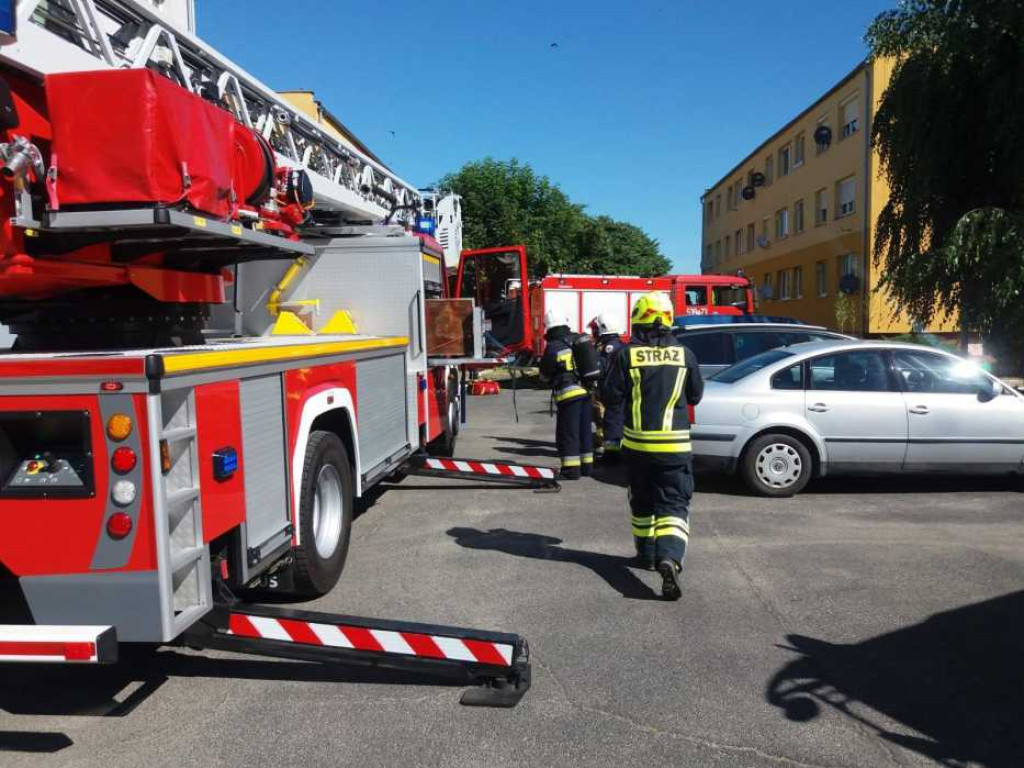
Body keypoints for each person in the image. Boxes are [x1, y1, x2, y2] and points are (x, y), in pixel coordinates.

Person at [602, 291, 704, 600]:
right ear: (669, 320)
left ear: (639, 320)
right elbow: (696, 395)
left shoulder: (626, 355)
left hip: (637, 449)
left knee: (642, 504)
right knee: (673, 506)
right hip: (674, 449)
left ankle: (645, 555)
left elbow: (610, 396)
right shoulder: (685, 355)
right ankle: (669, 558)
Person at [539, 310, 594, 479]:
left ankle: (571, 470)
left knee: (568, 432)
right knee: (584, 430)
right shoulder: (578, 339)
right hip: (585, 391)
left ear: (549, 327)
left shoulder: (554, 346)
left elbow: (545, 374)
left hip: (568, 395)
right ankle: (587, 467)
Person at [588, 312, 626, 460]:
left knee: (612, 426)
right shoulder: (620, 345)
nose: (594, 332)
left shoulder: (606, 348)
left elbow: (599, 370)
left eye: (596, 329)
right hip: (621, 392)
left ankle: (612, 455)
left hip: (614, 393)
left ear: (603, 329)